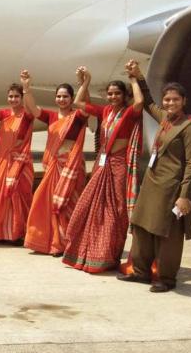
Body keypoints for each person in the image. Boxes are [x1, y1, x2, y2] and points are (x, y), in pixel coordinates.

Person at [117, 64, 191, 292]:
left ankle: (166, 278)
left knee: (167, 234)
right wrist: (139, 78)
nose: (170, 103)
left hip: (171, 187)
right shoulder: (165, 117)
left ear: (183, 101)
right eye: (167, 99)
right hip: (152, 183)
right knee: (142, 227)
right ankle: (141, 272)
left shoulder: (189, 127)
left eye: (175, 100)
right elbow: (149, 104)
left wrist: (185, 196)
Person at [62, 61, 144, 273]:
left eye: (117, 93)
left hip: (118, 165)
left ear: (124, 95)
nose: (113, 97)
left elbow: (140, 102)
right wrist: (86, 81)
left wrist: (134, 79)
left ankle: (107, 255)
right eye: (110, 93)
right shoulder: (105, 111)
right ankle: (85, 251)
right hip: (102, 163)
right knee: (87, 205)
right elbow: (78, 102)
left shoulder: (127, 113)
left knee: (115, 212)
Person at [22, 71, 88, 256]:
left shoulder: (78, 117)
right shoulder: (51, 117)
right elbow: (34, 110)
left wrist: (85, 83)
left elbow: (83, 106)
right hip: (54, 168)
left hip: (72, 169)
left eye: (65, 96)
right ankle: (52, 241)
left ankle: (68, 243)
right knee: (45, 201)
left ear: (71, 98)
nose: (61, 99)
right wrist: (26, 87)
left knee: (68, 204)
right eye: (58, 96)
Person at [0, 75, 37, 244]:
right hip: (3, 161)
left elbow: (31, 106)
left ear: (21, 98)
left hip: (20, 164)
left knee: (19, 197)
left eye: (16, 96)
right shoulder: (5, 114)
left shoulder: (27, 115)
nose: (13, 99)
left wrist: (26, 86)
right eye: (11, 96)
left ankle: (17, 233)